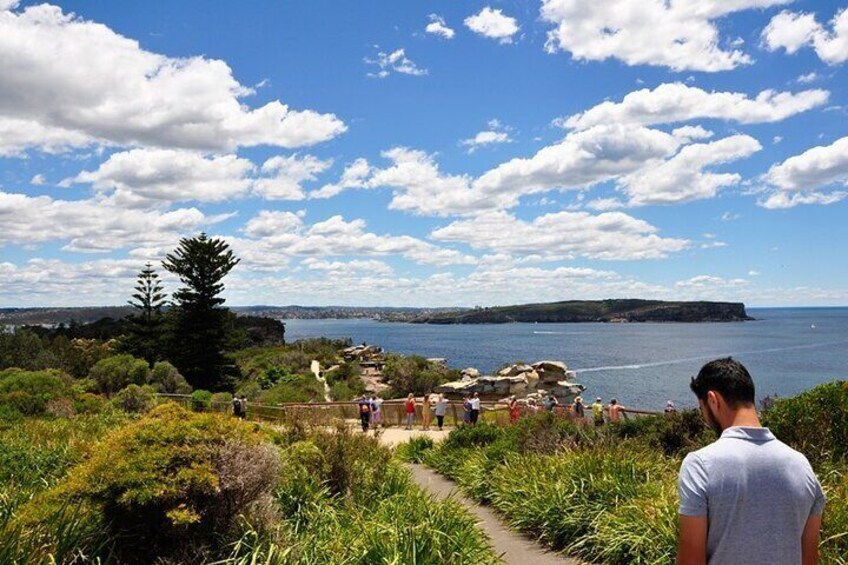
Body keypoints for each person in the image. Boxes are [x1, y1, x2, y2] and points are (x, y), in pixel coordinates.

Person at [677, 358, 825, 565]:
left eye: (702, 408)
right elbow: (809, 559)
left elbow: (690, 561)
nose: (704, 418)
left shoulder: (700, 465)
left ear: (713, 400)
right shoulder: (802, 466)